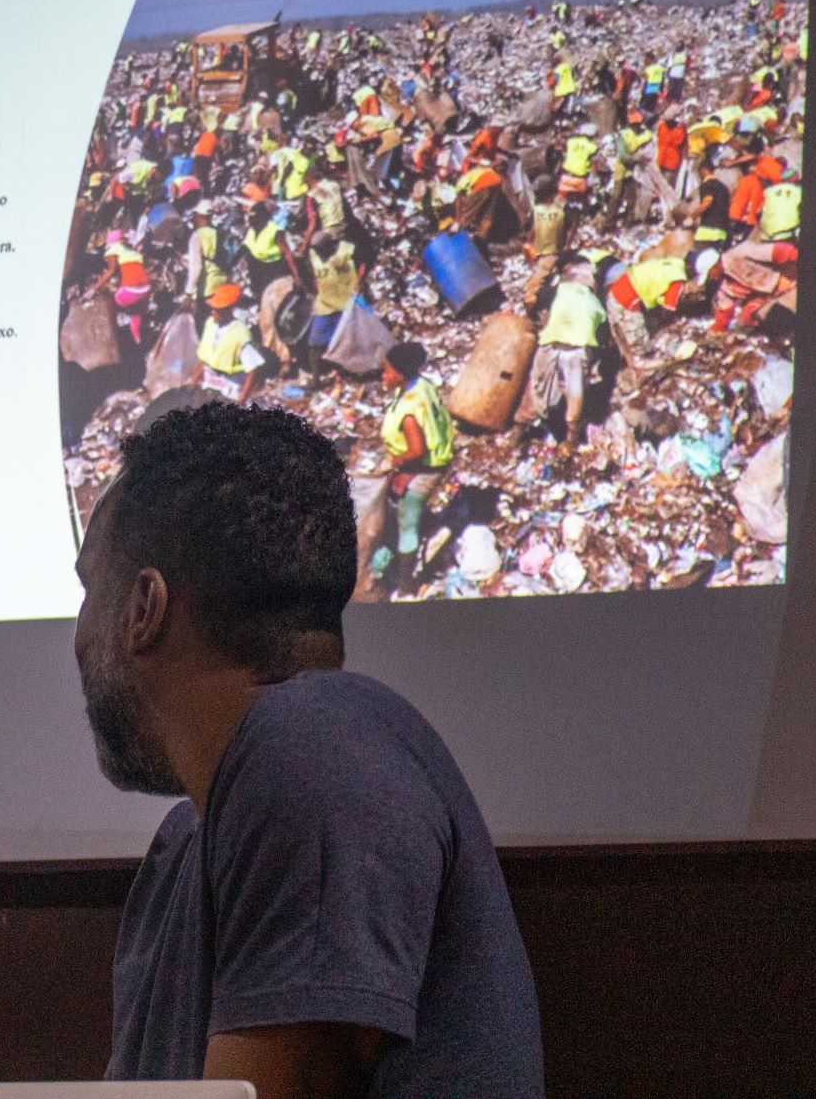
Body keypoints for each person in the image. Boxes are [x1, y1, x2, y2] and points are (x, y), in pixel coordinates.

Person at [81, 404, 543, 1097]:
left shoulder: (313, 749)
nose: (79, 631)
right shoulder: (186, 843)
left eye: (89, 589)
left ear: (143, 610)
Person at [378, 342, 455, 597]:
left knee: (406, 520)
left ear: (400, 373)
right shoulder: (421, 385)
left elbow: (417, 450)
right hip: (429, 460)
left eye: (387, 371)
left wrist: (399, 466)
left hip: (426, 466)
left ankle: (405, 584)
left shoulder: (409, 411)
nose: (383, 376)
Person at [513, 252, 606, 449]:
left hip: (551, 344)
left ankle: (518, 432)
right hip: (578, 350)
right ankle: (571, 441)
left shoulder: (555, 291)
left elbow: (536, 308)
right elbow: (602, 338)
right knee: (575, 395)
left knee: (538, 390)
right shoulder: (596, 304)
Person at [304, 232, 363, 380]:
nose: (318, 252)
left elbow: (362, 262)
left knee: (348, 341)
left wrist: (358, 282)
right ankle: (316, 379)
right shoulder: (314, 256)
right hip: (324, 306)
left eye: (321, 249)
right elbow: (311, 273)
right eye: (316, 249)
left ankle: (350, 373)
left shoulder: (345, 251)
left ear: (330, 245)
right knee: (315, 344)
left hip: (346, 305)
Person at [194, 284, 264, 401]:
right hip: (209, 383)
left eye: (217, 310)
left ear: (228, 309)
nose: (213, 312)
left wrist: (241, 398)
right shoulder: (210, 324)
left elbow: (253, 369)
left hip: (228, 387)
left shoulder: (240, 333)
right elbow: (205, 358)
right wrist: (193, 381)